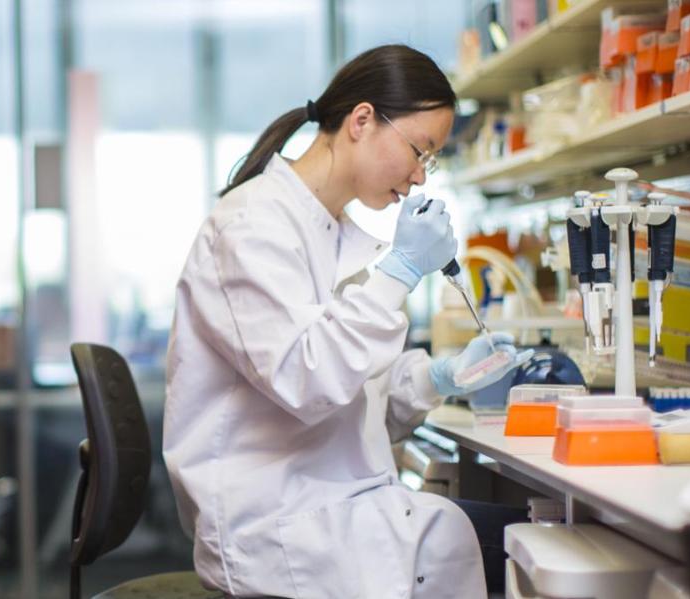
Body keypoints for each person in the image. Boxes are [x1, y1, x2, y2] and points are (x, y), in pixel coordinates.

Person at [163, 45, 531, 598]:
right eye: (419, 151)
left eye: (429, 163)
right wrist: (400, 272)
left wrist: (435, 380)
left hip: (336, 514)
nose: (418, 178)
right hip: (277, 533)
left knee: (528, 543)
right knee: (539, 551)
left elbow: (357, 406)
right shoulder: (250, 226)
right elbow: (307, 379)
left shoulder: (332, 233)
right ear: (362, 120)